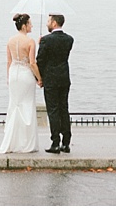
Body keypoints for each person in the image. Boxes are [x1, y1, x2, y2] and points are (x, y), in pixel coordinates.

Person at [0, 13, 41, 154]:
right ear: (25, 26)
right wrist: (39, 78)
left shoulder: (10, 40)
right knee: (27, 106)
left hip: (14, 74)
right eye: (30, 23)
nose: (32, 25)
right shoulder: (30, 41)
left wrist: (9, 77)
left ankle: (12, 141)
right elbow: (32, 63)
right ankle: (26, 143)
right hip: (26, 75)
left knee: (14, 105)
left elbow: (9, 61)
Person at [35, 13, 73, 153]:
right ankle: (66, 142)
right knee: (64, 108)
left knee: (53, 110)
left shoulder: (46, 40)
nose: (47, 24)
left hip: (51, 79)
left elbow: (40, 60)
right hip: (64, 78)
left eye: (49, 21)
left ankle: (55, 142)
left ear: (54, 23)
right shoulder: (69, 39)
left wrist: (39, 78)